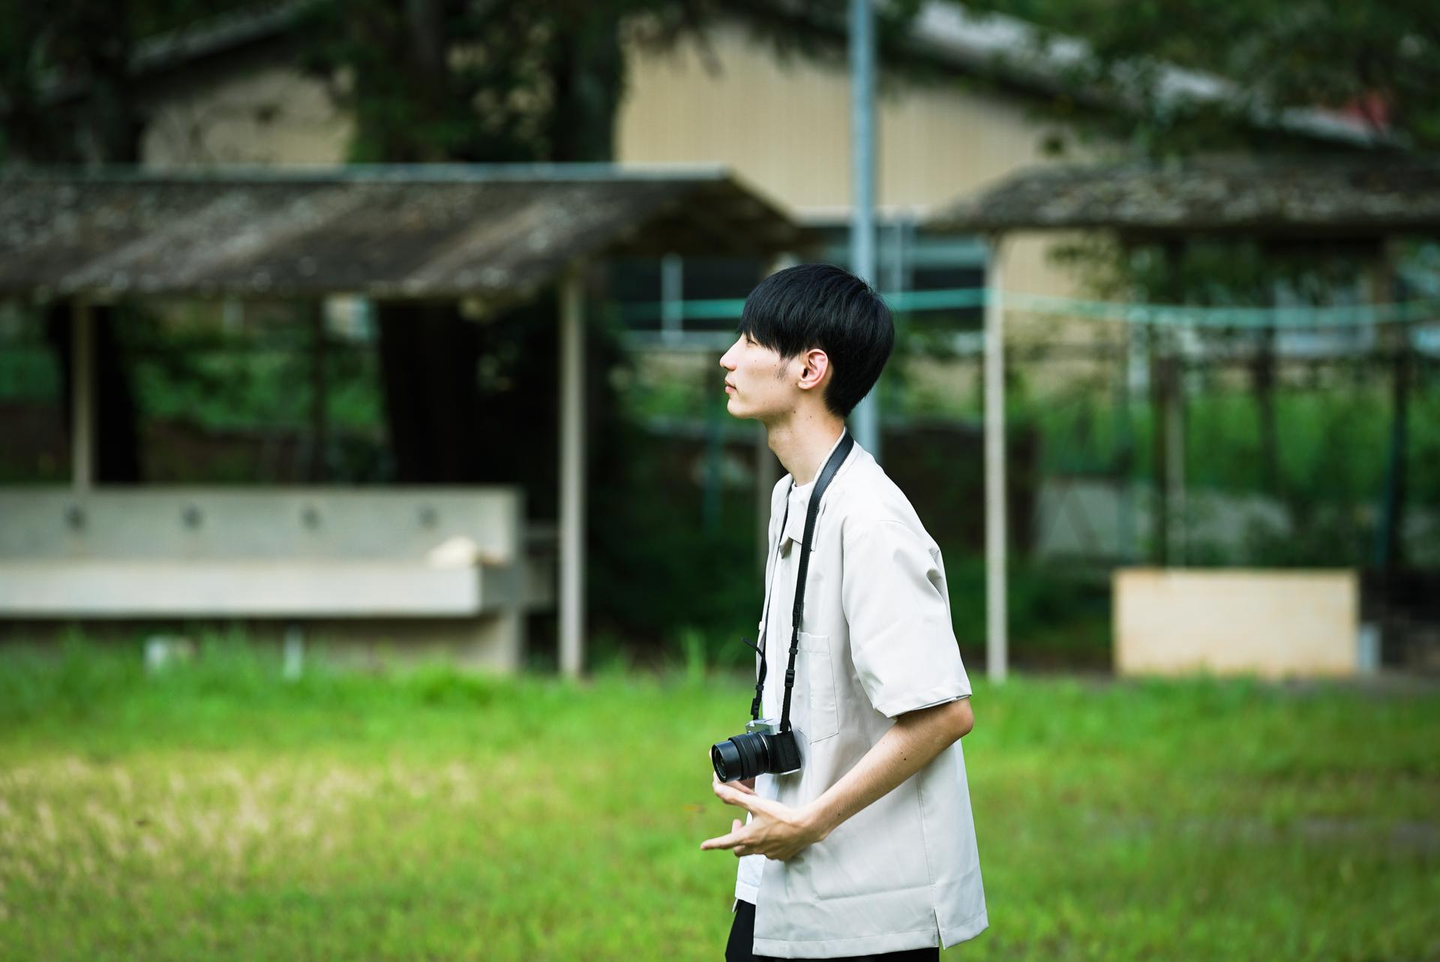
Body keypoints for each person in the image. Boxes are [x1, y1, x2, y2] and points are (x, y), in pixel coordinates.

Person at [700, 264, 986, 961]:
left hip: (866, 907)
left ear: (810, 368)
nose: (728, 358)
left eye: (750, 341)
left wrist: (811, 822)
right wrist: (763, 761)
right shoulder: (792, 497)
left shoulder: (872, 521)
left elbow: (944, 713)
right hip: (783, 877)